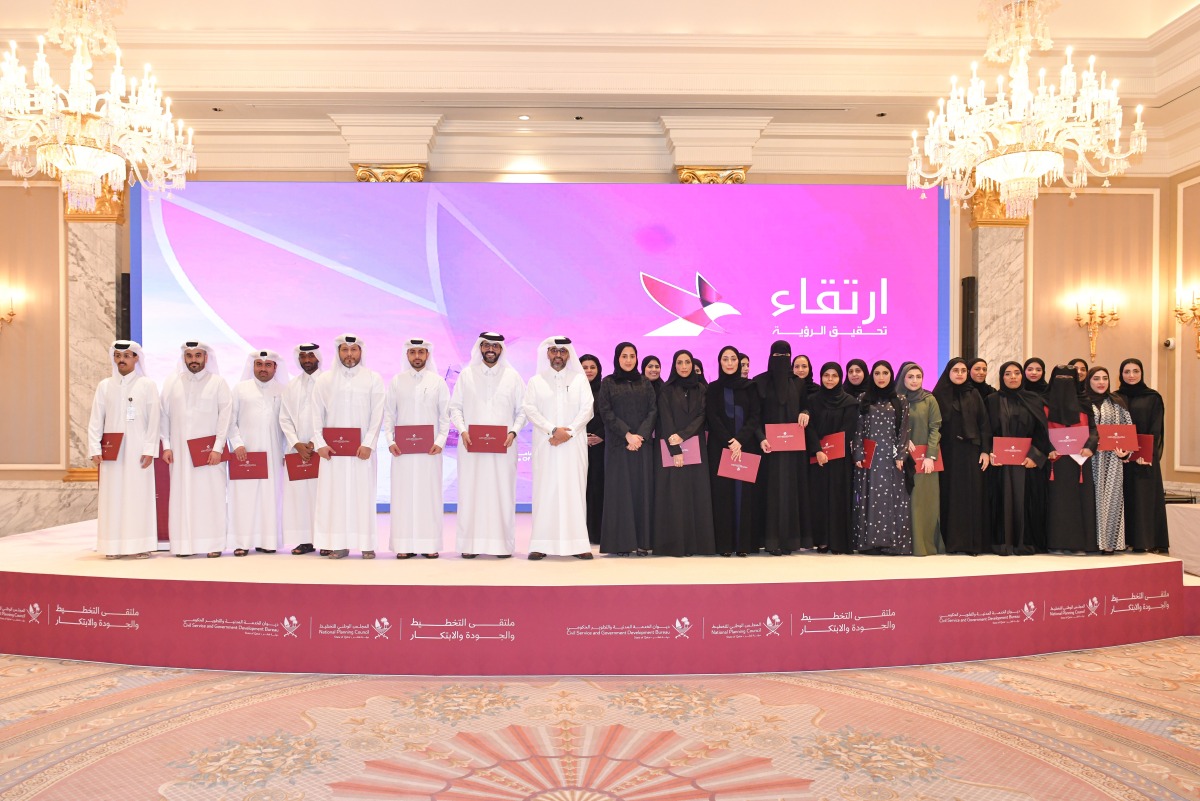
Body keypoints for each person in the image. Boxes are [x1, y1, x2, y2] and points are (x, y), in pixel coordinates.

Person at [448, 332, 527, 559]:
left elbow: (523, 410)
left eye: (495, 346)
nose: (491, 349)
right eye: (486, 345)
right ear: (480, 348)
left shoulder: (513, 377)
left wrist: (513, 431)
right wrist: (462, 430)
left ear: (501, 349)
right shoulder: (466, 375)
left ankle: (502, 546)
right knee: (472, 493)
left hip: (504, 446)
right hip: (471, 445)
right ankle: (470, 545)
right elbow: (455, 408)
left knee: (501, 493)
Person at [311, 334, 386, 559]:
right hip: (332, 453)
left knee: (363, 495)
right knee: (335, 497)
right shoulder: (324, 380)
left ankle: (366, 543)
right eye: (345, 350)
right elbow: (316, 413)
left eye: (354, 350)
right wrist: (320, 443)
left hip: (361, 452)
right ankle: (338, 543)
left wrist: (369, 443)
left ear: (361, 352)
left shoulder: (373, 379)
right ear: (338, 352)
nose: (349, 355)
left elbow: (377, 414)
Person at [522, 336, 595, 560]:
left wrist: (569, 432)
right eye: (553, 351)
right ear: (547, 354)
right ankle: (541, 544)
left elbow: (587, 409)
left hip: (574, 446)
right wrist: (553, 430)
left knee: (574, 491)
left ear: (568, 355)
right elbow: (530, 409)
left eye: (562, 352)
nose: (557, 355)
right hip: (547, 445)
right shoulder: (536, 381)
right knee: (546, 492)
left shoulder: (579, 379)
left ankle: (578, 544)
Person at [159, 341, 233, 558]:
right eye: (189, 355)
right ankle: (183, 545)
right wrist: (167, 446)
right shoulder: (173, 383)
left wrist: (218, 447)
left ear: (206, 358)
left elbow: (225, 417)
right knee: (182, 496)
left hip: (210, 454)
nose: (193, 360)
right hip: (181, 454)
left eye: (197, 355)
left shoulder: (218, 383)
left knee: (211, 497)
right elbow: (164, 416)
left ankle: (213, 544)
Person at [87, 340, 160, 560]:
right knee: (113, 497)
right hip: (112, 453)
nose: (122, 360)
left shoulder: (147, 385)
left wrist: (149, 449)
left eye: (127, 355)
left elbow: (154, 420)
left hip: (139, 451)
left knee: (139, 496)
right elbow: (96, 419)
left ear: (136, 358)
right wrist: (94, 447)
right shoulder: (105, 385)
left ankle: (140, 545)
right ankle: (112, 545)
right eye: (118, 356)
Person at [383, 338, 450, 559]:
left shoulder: (438, 382)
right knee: (403, 495)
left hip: (430, 450)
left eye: (421, 352)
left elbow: (445, 415)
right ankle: (404, 544)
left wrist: (440, 441)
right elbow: (389, 414)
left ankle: (429, 543)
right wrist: (390, 440)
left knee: (428, 495)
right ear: (407, 355)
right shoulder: (397, 381)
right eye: (413, 353)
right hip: (402, 451)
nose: (417, 357)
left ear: (428, 355)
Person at [653, 350, 715, 557]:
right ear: (674, 366)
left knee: (696, 495)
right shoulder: (666, 390)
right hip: (672, 449)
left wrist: (683, 435)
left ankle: (696, 545)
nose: (684, 366)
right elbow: (665, 418)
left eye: (687, 362)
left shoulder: (701, 389)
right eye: (679, 362)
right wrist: (675, 448)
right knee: (674, 496)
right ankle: (674, 545)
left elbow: (701, 416)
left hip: (696, 447)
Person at [597, 342, 657, 556]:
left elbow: (653, 410)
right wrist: (627, 435)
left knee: (642, 492)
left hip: (642, 446)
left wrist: (639, 435)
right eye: (625, 356)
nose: (629, 360)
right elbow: (606, 412)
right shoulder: (608, 383)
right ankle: (621, 544)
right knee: (620, 494)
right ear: (617, 358)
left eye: (632, 355)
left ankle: (642, 543)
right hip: (618, 447)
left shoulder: (644, 383)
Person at [227, 349, 288, 556]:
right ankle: (242, 542)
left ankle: (267, 541)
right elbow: (230, 420)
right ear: (252, 366)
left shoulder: (282, 391)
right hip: (245, 453)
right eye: (259, 365)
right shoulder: (240, 389)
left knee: (270, 497)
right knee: (243, 498)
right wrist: (237, 444)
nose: (263, 369)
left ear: (275, 368)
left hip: (272, 454)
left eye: (268, 365)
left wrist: (286, 451)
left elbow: (287, 425)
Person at [986, 361, 1049, 555]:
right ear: (1002, 377)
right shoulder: (992, 400)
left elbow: (1042, 432)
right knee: (1001, 499)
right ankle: (1002, 544)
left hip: (1026, 462)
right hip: (1000, 462)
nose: (1013, 377)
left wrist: (1035, 456)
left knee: (1025, 501)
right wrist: (989, 452)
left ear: (1022, 376)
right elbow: (986, 429)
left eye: (1016, 373)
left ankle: (1024, 543)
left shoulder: (1034, 399)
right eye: (1007, 374)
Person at [706, 346, 762, 557]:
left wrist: (740, 440)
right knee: (723, 495)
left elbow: (755, 415)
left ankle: (743, 545)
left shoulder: (751, 386)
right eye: (725, 359)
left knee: (744, 495)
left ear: (739, 362)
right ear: (720, 362)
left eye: (733, 359)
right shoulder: (713, 388)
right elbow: (712, 417)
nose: (729, 363)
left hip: (746, 447)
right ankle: (725, 545)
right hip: (721, 447)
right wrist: (730, 441)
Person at [757, 340, 811, 554]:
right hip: (768, 449)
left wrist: (806, 413)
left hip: (792, 450)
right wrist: (760, 437)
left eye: (785, 356)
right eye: (777, 356)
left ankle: (790, 540)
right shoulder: (759, 382)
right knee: (771, 493)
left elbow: (806, 405)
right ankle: (770, 541)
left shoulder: (798, 383)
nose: (782, 360)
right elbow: (755, 415)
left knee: (790, 492)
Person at [852, 360, 911, 555]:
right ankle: (869, 543)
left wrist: (901, 454)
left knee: (892, 499)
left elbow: (904, 429)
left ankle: (890, 543)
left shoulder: (900, 399)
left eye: (885, 373)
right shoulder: (863, 398)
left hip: (891, 457)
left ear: (891, 375)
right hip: (870, 456)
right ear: (872, 376)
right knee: (869, 498)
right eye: (877, 373)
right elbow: (858, 429)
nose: (881, 377)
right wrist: (858, 453)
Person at [932, 357, 990, 555]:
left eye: (963, 371)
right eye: (955, 370)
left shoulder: (973, 394)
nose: (959, 374)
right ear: (948, 372)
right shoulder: (938, 394)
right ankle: (950, 543)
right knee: (948, 496)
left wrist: (985, 451)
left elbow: (984, 425)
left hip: (970, 453)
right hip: (947, 453)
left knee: (971, 496)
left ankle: (971, 544)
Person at [1116, 358, 1169, 553]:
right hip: (1119, 458)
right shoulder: (1115, 397)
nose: (1131, 375)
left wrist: (1145, 453)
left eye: (1135, 371)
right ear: (1120, 374)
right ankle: (1124, 540)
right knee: (1124, 498)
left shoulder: (1153, 397)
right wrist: (1121, 452)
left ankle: (1145, 541)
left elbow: (1155, 430)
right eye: (1126, 371)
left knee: (1143, 499)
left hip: (1143, 459)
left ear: (1142, 373)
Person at [1043, 366, 1098, 554]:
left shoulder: (1084, 402)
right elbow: (1039, 430)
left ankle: (1079, 545)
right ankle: (1056, 543)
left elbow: (1093, 429)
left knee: (1079, 503)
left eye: (1069, 378)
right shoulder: (1044, 402)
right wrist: (1047, 448)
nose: (1064, 383)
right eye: (1060, 378)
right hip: (1054, 462)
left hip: (1079, 461)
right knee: (1057, 504)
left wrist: (1090, 446)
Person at [807, 362, 858, 554]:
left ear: (840, 378)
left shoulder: (850, 402)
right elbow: (809, 428)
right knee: (819, 498)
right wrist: (818, 450)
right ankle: (821, 540)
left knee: (838, 497)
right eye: (826, 375)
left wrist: (831, 450)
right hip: (817, 458)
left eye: (834, 376)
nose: (830, 380)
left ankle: (837, 541)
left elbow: (848, 430)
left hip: (839, 459)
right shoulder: (812, 400)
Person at [281, 343, 324, 555]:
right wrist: (296, 444)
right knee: (299, 497)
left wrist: (315, 442)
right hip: (297, 451)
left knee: (322, 496)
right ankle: (304, 540)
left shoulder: (328, 383)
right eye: (303, 357)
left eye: (310, 356)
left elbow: (332, 415)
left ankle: (325, 539)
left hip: (323, 450)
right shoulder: (291, 386)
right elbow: (284, 418)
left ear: (318, 357)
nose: (307, 360)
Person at [1084, 366, 1133, 553]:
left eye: (1105, 378)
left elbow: (1128, 429)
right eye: (1096, 378)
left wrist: (1125, 452)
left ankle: (1109, 543)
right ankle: (1089, 543)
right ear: (1088, 381)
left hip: (1112, 460)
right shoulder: (1082, 402)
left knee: (1111, 499)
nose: (1101, 382)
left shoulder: (1117, 402)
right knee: (1089, 500)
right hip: (1088, 459)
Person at [901, 362, 943, 556]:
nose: (914, 380)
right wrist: (902, 441)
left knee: (923, 502)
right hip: (901, 459)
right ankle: (903, 545)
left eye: (918, 376)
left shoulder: (929, 399)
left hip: (925, 460)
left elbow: (935, 428)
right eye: (910, 376)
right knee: (904, 502)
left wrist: (930, 455)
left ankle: (923, 545)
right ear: (903, 378)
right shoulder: (896, 399)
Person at [579, 353, 605, 545]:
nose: (588, 370)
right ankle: (581, 532)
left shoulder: (606, 389)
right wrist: (581, 437)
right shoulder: (573, 389)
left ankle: (598, 533)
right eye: (585, 367)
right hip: (577, 446)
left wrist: (601, 435)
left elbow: (611, 414)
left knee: (599, 489)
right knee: (581, 489)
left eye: (592, 367)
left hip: (601, 447)